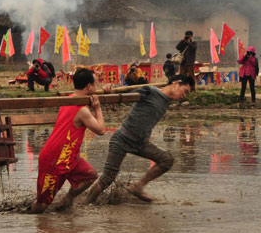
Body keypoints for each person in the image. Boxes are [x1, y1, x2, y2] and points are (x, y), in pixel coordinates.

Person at [86, 75, 194, 203]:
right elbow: (124, 96)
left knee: (167, 160)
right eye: (185, 91)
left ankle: (138, 187)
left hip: (141, 143)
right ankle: (85, 203)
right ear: (176, 83)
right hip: (122, 139)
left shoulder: (166, 101)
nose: (184, 96)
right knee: (107, 178)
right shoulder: (149, 91)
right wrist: (111, 89)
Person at [31, 68, 107, 213]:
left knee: (89, 176)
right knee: (41, 206)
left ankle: (67, 199)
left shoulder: (68, 100)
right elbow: (101, 130)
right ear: (89, 87)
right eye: (95, 85)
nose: (96, 88)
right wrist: (97, 108)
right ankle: (31, 222)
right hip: (54, 159)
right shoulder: (82, 110)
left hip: (70, 158)